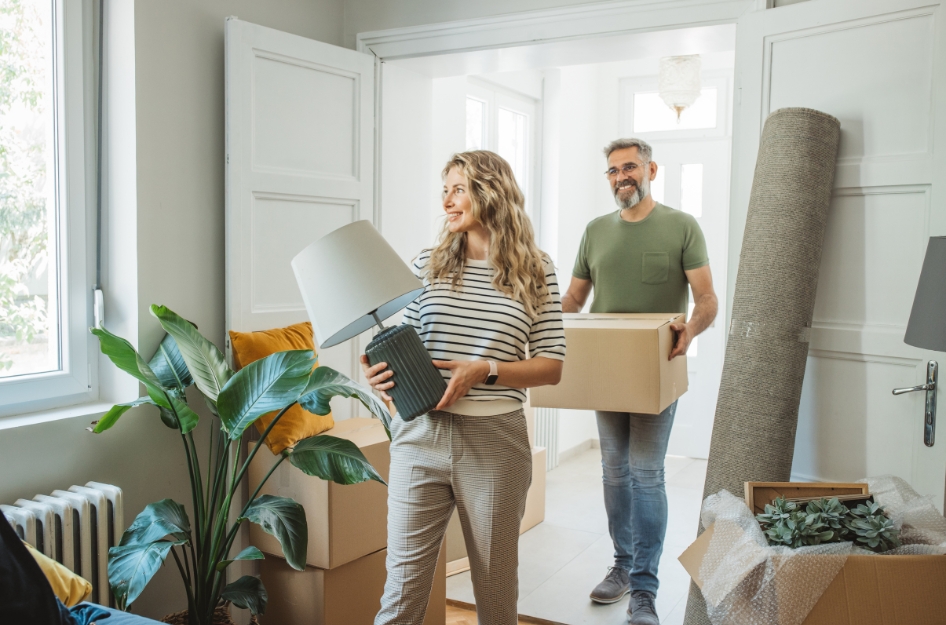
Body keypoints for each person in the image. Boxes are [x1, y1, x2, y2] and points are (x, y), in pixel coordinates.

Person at [362, 150, 567, 625]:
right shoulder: (427, 263)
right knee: (401, 596)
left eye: (458, 189)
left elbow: (551, 366)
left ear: (490, 192)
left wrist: (487, 369)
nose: (447, 201)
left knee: (495, 597)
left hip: (495, 442)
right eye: (445, 190)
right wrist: (381, 375)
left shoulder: (536, 270)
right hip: (419, 438)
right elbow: (407, 342)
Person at [561, 138, 718, 625]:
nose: (620, 177)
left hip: (655, 368)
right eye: (612, 171)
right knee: (613, 470)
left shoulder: (680, 225)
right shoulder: (595, 231)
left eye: (629, 167)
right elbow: (573, 299)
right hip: (606, 371)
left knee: (646, 473)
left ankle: (645, 591)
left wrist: (689, 332)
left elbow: (707, 297)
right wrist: (540, 331)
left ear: (651, 169)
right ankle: (623, 566)